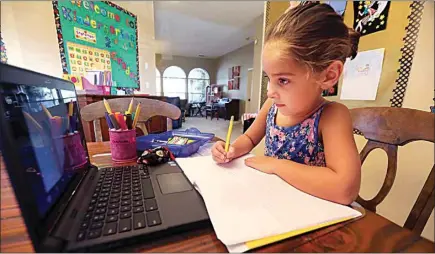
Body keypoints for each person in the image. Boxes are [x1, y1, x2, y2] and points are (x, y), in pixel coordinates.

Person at [211, 3, 361, 205]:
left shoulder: (332, 116)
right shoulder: (272, 105)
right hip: (274, 204)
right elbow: (248, 137)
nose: (270, 91)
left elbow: (345, 190)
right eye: (269, 79)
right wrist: (231, 150)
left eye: (283, 80)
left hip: (314, 216)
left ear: (329, 75)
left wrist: (276, 165)